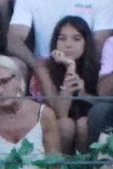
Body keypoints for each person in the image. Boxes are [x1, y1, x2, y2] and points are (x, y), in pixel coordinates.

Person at [32, 14, 97, 149]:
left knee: (83, 124)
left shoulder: (97, 67)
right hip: (51, 125)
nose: (68, 45)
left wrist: (83, 93)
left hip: (84, 125)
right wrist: (70, 68)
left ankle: (82, 168)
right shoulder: (43, 67)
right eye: (62, 39)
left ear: (86, 42)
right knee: (66, 125)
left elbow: (102, 106)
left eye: (76, 39)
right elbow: (60, 112)